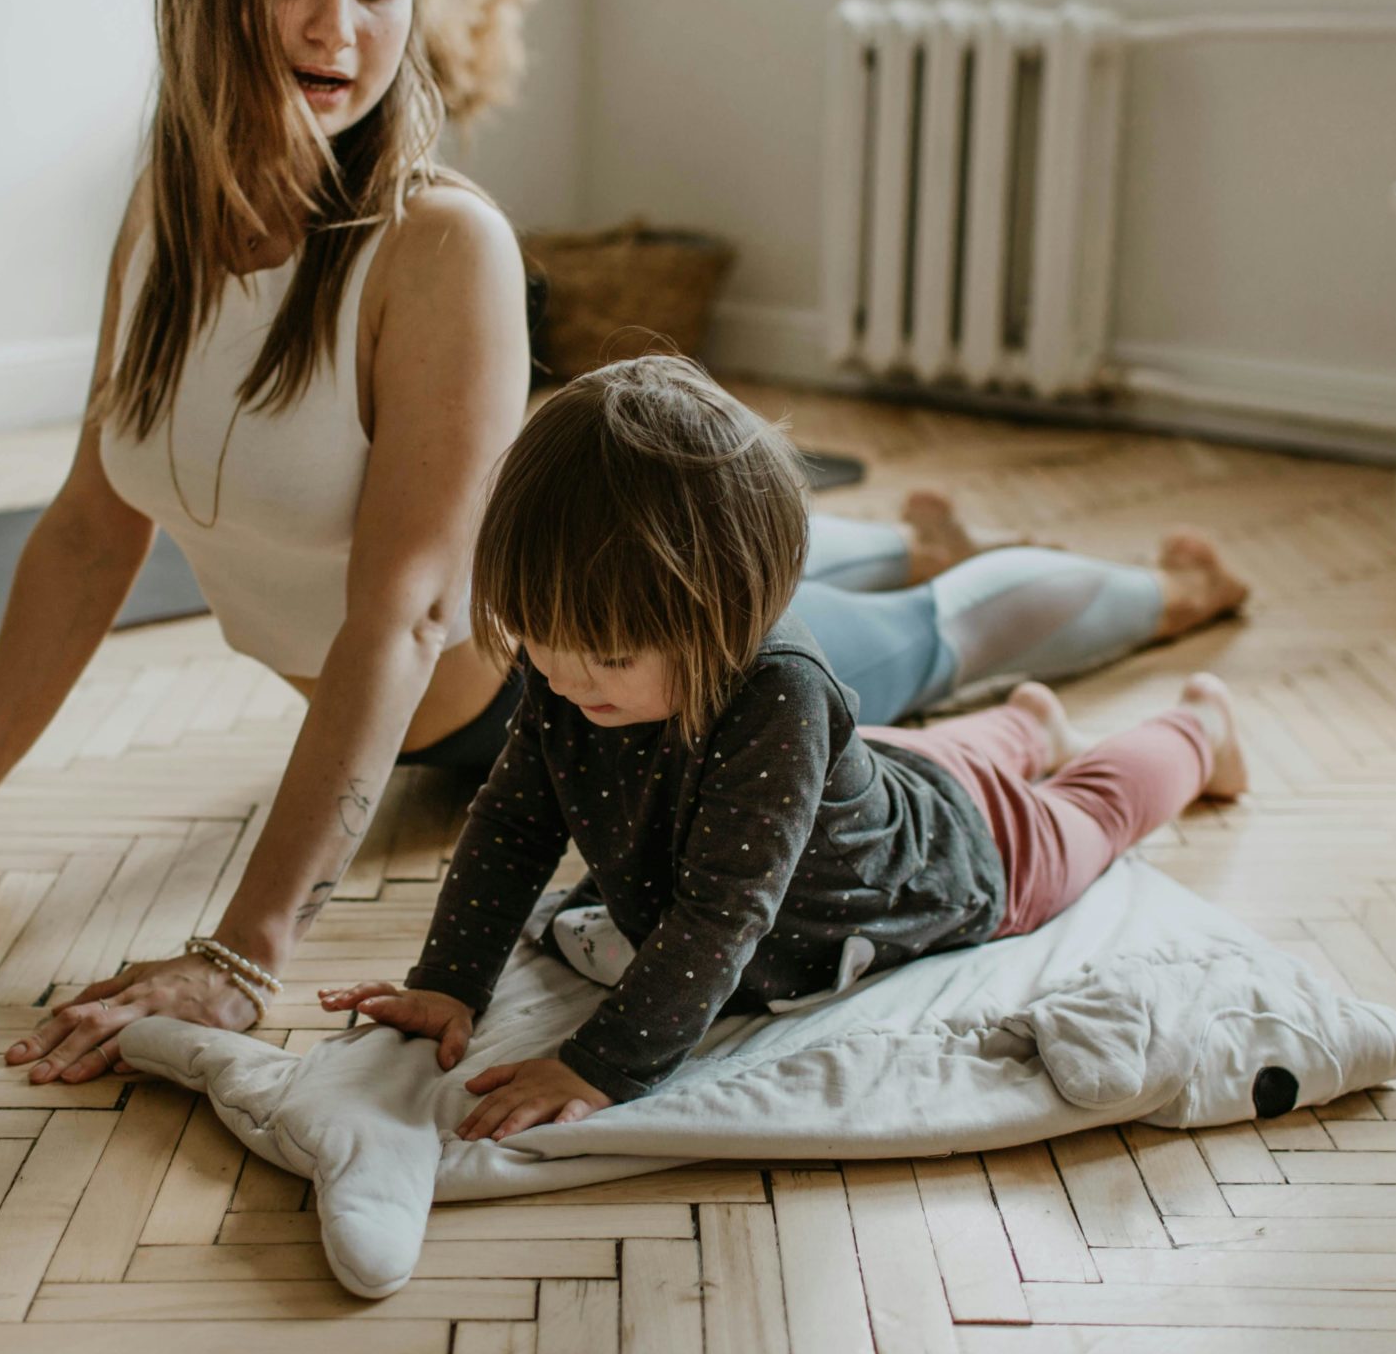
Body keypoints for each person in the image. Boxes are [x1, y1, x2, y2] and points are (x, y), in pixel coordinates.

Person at [0, 0, 1248, 1085]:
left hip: (606, 682)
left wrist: (242, 953)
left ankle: (1163, 603)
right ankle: (907, 570)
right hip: (552, 654)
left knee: (919, 635)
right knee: (863, 602)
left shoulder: (434, 244)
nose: (343, 25)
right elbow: (85, 529)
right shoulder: (163, 220)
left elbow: (400, 615)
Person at [320, 357, 1247, 1135]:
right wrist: (448, 980)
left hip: (957, 853)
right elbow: (516, 821)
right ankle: (1030, 721)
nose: (561, 679)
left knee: (1089, 809)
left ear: (725, 615)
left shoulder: (781, 695)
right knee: (925, 759)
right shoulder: (574, 668)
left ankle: (1199, 728)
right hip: (875, 775)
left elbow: (723, 914)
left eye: (603, 655)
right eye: (538, 642)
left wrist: (598, 1065)